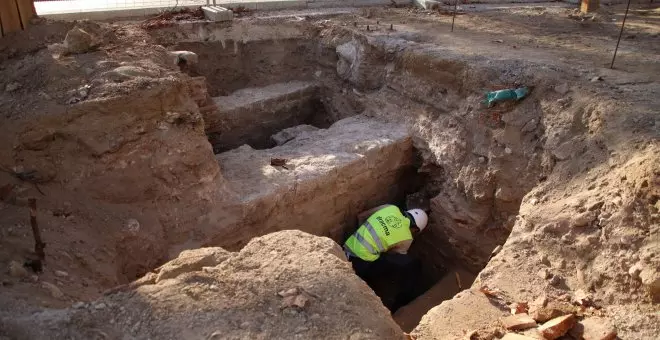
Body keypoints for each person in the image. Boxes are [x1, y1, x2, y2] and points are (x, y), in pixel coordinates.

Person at [343, 204, 428, 311]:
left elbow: (362, 217)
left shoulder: (390, 208)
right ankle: (397, 302)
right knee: (410, 265)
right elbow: (395, 256)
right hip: (361, 264)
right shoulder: (407, 238)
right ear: (415, 229)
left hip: (348, 246)